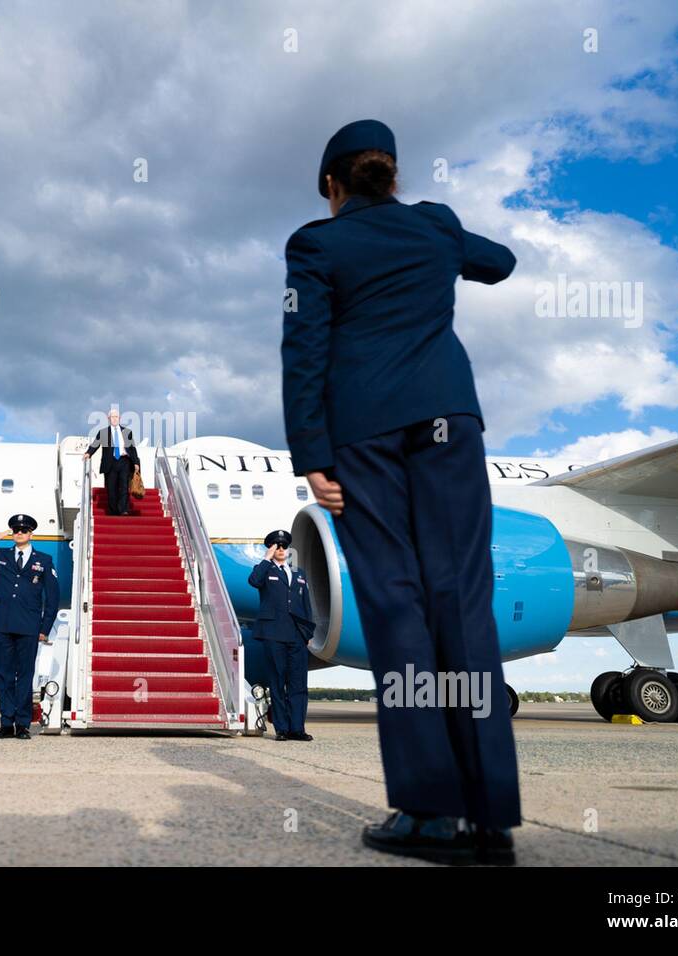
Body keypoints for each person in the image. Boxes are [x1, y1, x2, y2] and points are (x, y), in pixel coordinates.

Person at [282, 119, 520, 866]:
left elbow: (304, 347)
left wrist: (311, 455)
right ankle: (490, 820)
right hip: (449, 422)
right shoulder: (436, 227)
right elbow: (501, 262)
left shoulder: (317, 245)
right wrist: (438, 236)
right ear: (391, 174)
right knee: (462, 602)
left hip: (364, 437)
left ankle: (427, 811)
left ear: (332, 185)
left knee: (395, 602)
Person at [0, 514, 60, 740]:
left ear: (30, 534)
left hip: (29, 626)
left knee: (25, 676)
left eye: (23, 530)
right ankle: (6, 723)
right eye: (15, 530)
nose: (19, 533)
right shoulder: (1, 556)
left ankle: (22, 724)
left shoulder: (43, 561)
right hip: (2, 624)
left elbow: (52, 598)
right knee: (3, 675)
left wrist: (44, 628)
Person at [248, 530, 314, 741]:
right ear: (271, 549)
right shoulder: (264, 571)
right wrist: (267, 558)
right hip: (274, 633)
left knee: (298, 683)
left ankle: (298, 728)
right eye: (277, 546)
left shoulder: (299, 573)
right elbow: (254, 581)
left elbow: (306, 606)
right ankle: (282, 729)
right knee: (277, 682)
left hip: (297, 635)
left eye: (284, 546)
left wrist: (308, 633)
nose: (281, 549)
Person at [83, 407, 140, 516]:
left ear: (120, 418)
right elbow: (95, 444)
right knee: (111, 488)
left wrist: (136, 462)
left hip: (124, 461)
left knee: (124, 486)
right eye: (112, 417)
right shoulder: (103, 432)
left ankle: (123, 510)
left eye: (116, 417)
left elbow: (132, 448)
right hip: (110, 462)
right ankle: (114, 511)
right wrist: (88, 453)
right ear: (108, 418)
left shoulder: (127, 432)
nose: (114, 419)